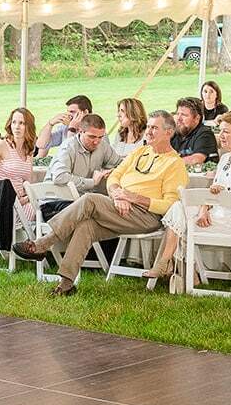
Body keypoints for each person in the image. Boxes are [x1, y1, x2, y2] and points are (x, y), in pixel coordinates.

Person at [11, 111, 188, 296]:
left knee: (89, 199)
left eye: (154, 128)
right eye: (148, 127)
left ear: (168, 132)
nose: (148, 132)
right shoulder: (140, 151)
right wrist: (117, 195)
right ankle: (66, 284)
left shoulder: (175, 164)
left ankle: (43, 243)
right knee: (86, 227)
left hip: (146, 216)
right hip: (121, 206)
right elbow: (116, 175)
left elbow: (170, 205)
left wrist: (133, 198)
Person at [147, 110, 231, 283]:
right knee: (177, 208)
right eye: (220, 131)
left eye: (226, 132)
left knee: (182, 223)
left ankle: (180, 270)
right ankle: (175, 266)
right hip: (217, 213)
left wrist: (224, 192)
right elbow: (212, 191)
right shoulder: (225, 158)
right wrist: (203, 208)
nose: (221, 136)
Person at [46, 112, 121, 194]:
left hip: (83, 197)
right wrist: (92, 182)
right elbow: (59, 177)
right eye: (92, 137)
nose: (96, 142)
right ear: (80, 131)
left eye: (100, 137)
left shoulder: (102, 145)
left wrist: (111, 171)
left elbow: (121, 164)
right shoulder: (68, 147)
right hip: (58, 199)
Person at [172, 96, 219, 167]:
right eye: (178, 114)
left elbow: (196, 159)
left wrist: (167, 164)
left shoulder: (205, 134)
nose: (179, 118)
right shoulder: (176, 133)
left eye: (184, 115)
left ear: (197, 118)